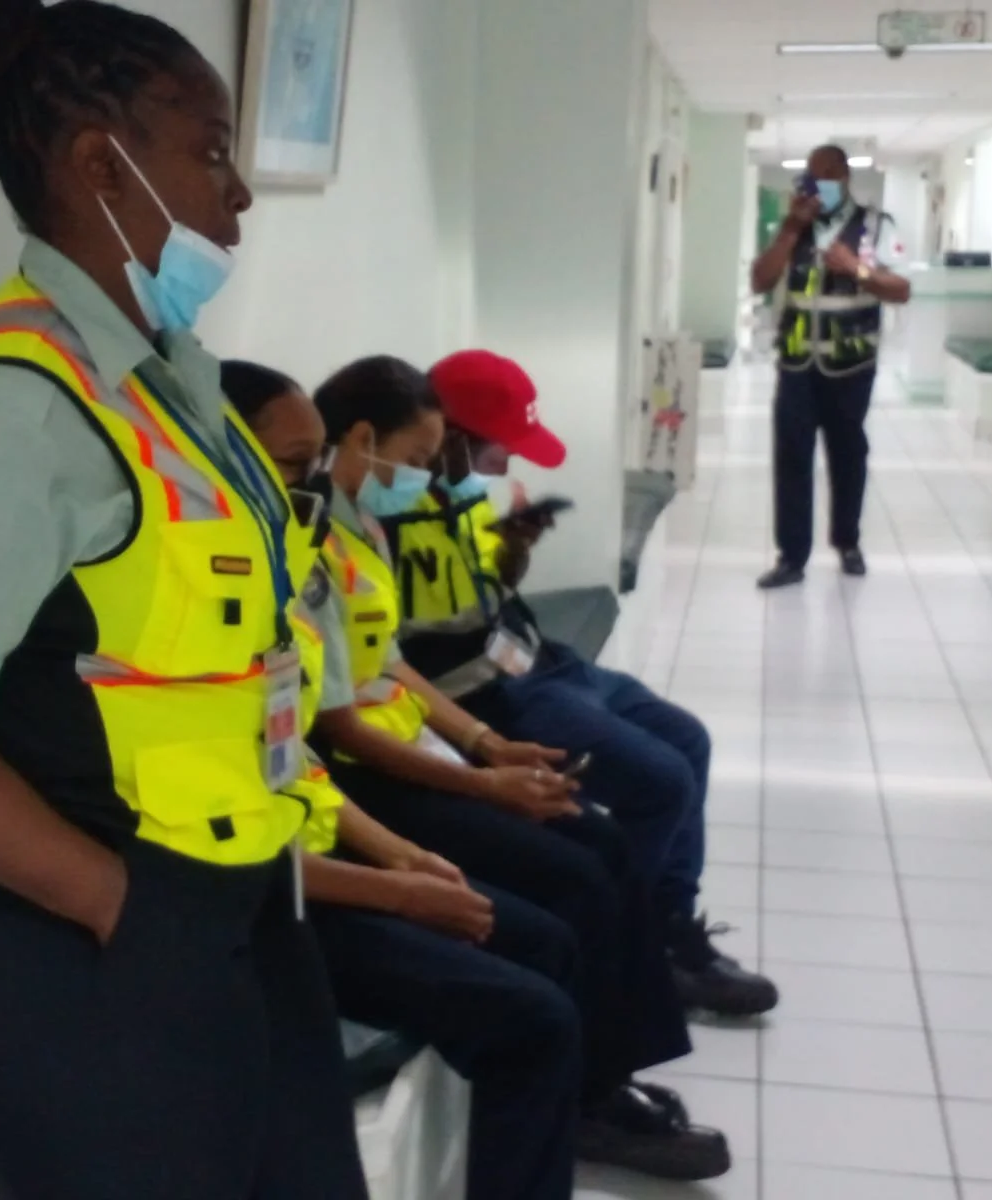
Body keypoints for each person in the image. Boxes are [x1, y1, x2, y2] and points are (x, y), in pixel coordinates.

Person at [0, 4, 367, 1197]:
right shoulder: (12, 403)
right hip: (72, 935)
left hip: (225, 896)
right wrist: (125, 911)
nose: (240, 196)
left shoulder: (172, 388)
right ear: (98, 165)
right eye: (211, 152)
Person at [276, 355, 733, 1181]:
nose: (426, 478)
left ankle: (607, 1076)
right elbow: (337, 724)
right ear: (363, 438)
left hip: (411, 753)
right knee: (573, 883)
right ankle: (593, 1095)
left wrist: (487, 749)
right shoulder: (298, 554)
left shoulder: (353, 531)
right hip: (366, 779)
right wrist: (479, 784)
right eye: (417, 460)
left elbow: (388, 667)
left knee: (598, 844)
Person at [225, 358, 587, 1200]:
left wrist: (402, 858)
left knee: (552, 932)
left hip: (325, 849)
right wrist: (394, 885)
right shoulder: (205, 620)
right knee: (535, 1013)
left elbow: (297, 762)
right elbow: (215, 844)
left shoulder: (285, 575)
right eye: (290, 464)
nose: (311, 485)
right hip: (275, 902)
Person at [380, 349, 779, 1018]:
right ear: (448, 436)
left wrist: (514, 551)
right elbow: (391, 654)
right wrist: (477, 736)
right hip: (489, 697)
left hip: (540, 661)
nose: (508, 461)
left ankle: (669, 929)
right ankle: (633, 952)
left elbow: (484, 595)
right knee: (661, 783)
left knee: (690, 740)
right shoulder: (382, 517)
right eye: (498, 445)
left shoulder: (465, 496)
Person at [753, 143, 912, 588]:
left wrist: (858, 270)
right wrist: (789, 228)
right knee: (791, 460)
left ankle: (848, 542)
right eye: (812, 174)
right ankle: (792, 557)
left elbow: (900, 288)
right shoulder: (794, 227)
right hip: (797, 365)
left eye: (828, 174)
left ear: (845, 178)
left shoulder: (877, 227)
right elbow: (760, 279)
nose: (819, 183)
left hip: (850, 366)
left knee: (848, 456)